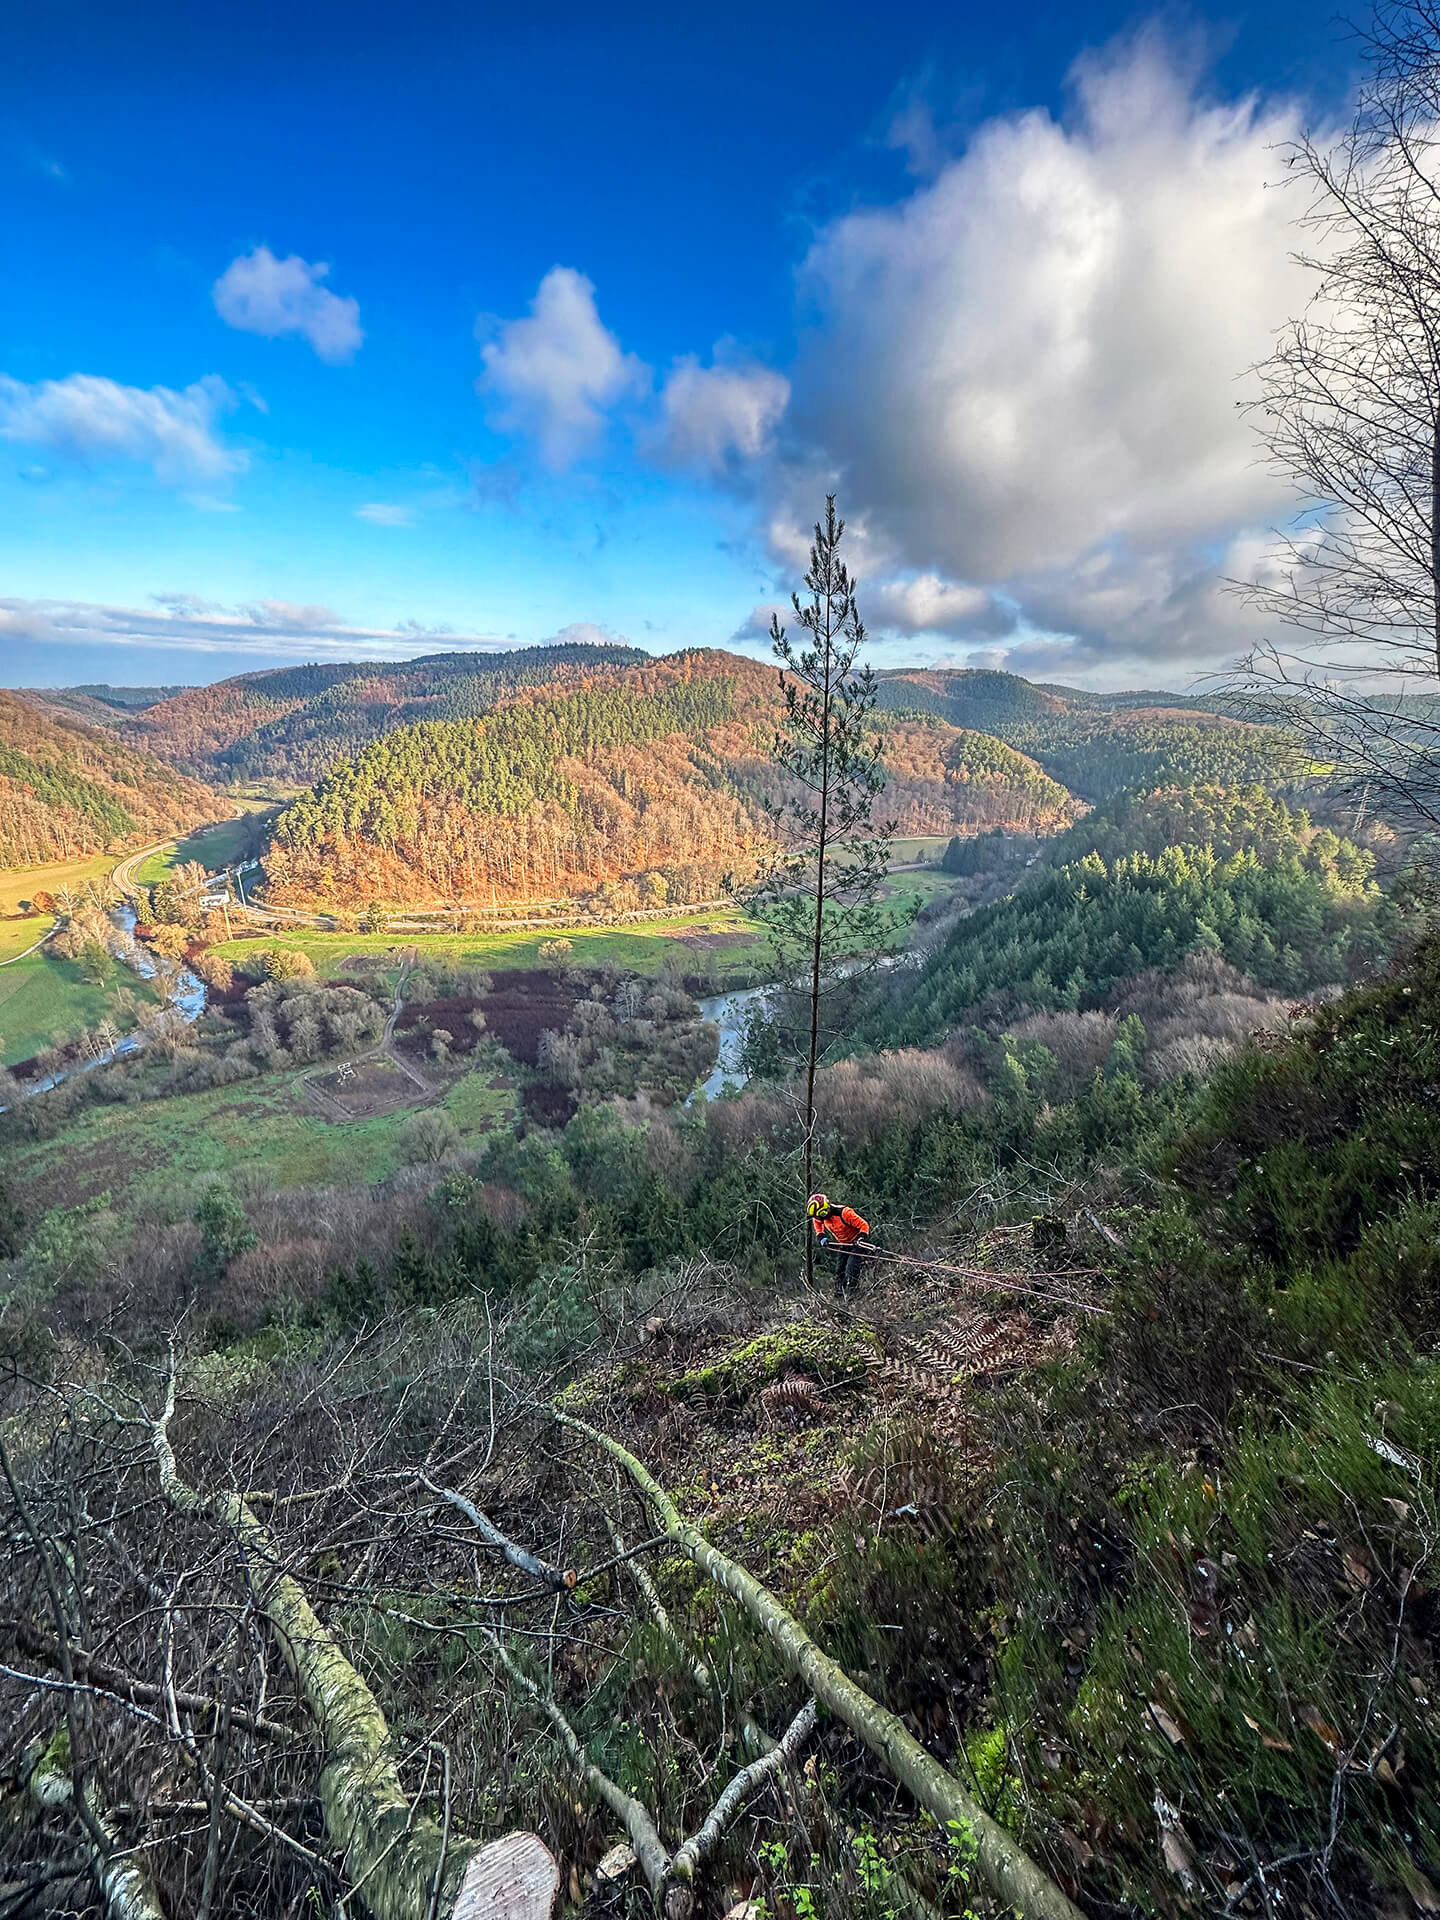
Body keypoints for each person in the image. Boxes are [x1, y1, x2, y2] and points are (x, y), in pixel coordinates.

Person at [807, 1192, 875, 1293]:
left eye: (822, 1215)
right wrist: (821, 1236)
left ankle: (853, 1294)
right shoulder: (820, 1217)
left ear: (826, 1209)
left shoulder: (844, 1213)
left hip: (857, 1244)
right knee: (840, 1271)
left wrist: (861, 1238)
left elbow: (864, 1225)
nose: (821, 1219)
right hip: (844, 1244)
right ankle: (839, 1296)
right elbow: (817, 1222)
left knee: (851, 1269)